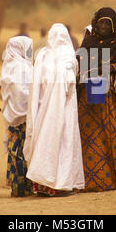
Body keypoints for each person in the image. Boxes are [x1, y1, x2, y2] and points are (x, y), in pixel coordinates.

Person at [77, 7, 116, 192]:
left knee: (112, 135)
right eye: (101, 22)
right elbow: (80, 67)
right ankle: (91, 180)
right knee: (90, 138)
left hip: (110, 97)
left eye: (107, 23)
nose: (103, 26)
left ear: (114, 26)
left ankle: (114, 178)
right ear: (95, 23)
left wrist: (111, 68)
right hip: (89, 97)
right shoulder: (87, 43)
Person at [23, 23, 85, 196]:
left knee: (45, 143)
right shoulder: (68, 58)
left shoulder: (42, 55)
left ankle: (43, 186)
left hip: (42, 108)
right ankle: (62, 184)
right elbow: (70, 84)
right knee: (64, 145)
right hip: (65, 110)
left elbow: (36, 84)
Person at [0, 36, 34, 197]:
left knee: (15, 151)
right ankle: (24, 187)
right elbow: (23, 93)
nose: (31, 52)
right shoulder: (23, 67)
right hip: (24, 116)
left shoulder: (9, 65)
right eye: (28, 48)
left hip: (11, 117)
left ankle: (17, 187)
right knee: (26, 151)